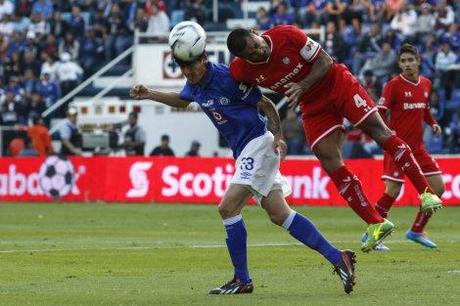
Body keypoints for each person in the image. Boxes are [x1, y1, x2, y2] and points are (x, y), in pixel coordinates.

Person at [131, 21, 356, 295]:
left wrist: (278, 135)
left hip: (259, 144)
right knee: (279, 214)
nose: (188, 72)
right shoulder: (196, 85)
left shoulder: (226, 78)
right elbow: (181, 100)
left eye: (192, 65)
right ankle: (338, 257)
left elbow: (266, 103)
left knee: (227, 208)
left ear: (204, 58)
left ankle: (242, 279)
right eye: (183, 67)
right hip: (244, 152)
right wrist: (149, 94)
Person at [226, 25, 443, 252]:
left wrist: (302, 84)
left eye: (257, 44)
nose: (259, 52)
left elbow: (325, 61)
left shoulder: (286, 35)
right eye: (251, 54)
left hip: (337, 83)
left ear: (255, 33)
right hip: (312, 104)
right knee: (326, 156)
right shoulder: (241, 71)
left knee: (379, 132)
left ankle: (426, 194)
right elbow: (241, 92)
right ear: (242, 58)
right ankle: (376, 223)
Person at [376, 44, 445, 250]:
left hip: (418, 148)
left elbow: (425, 109)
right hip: (398, 148)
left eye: (410, 60)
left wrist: (432, 122)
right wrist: (388, 131)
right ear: (399, 64)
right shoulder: (393, 85)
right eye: (403, 61)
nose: (407, 64)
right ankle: (374, 233)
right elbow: (380, 111)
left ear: (418, 61)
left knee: (438, 189)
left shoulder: (426, 84)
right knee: (393, 190)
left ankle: (416, 230)